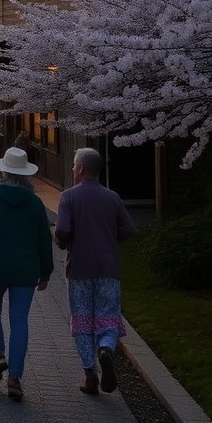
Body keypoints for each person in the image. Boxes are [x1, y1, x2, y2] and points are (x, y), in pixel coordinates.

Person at [0, 146, 54, 402]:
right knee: (19, 321)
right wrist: (45, 272)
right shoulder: (35, 203)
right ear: (25, 174)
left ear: (3, 170)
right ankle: (15, 376)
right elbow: (44, 240)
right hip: (26, 270)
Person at [53, 146, 137, 395]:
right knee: (108, 314)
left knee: (82, 319)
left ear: (80, 169)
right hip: (108, 267)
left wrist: (62, 242)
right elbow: (129, 229)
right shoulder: (112, 197)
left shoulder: (69, 197)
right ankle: (107, 349)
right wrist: (111, 239)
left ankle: (90, 374)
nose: (72, 170)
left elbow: (63, 230)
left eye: (73, 166)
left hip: (79, 268)